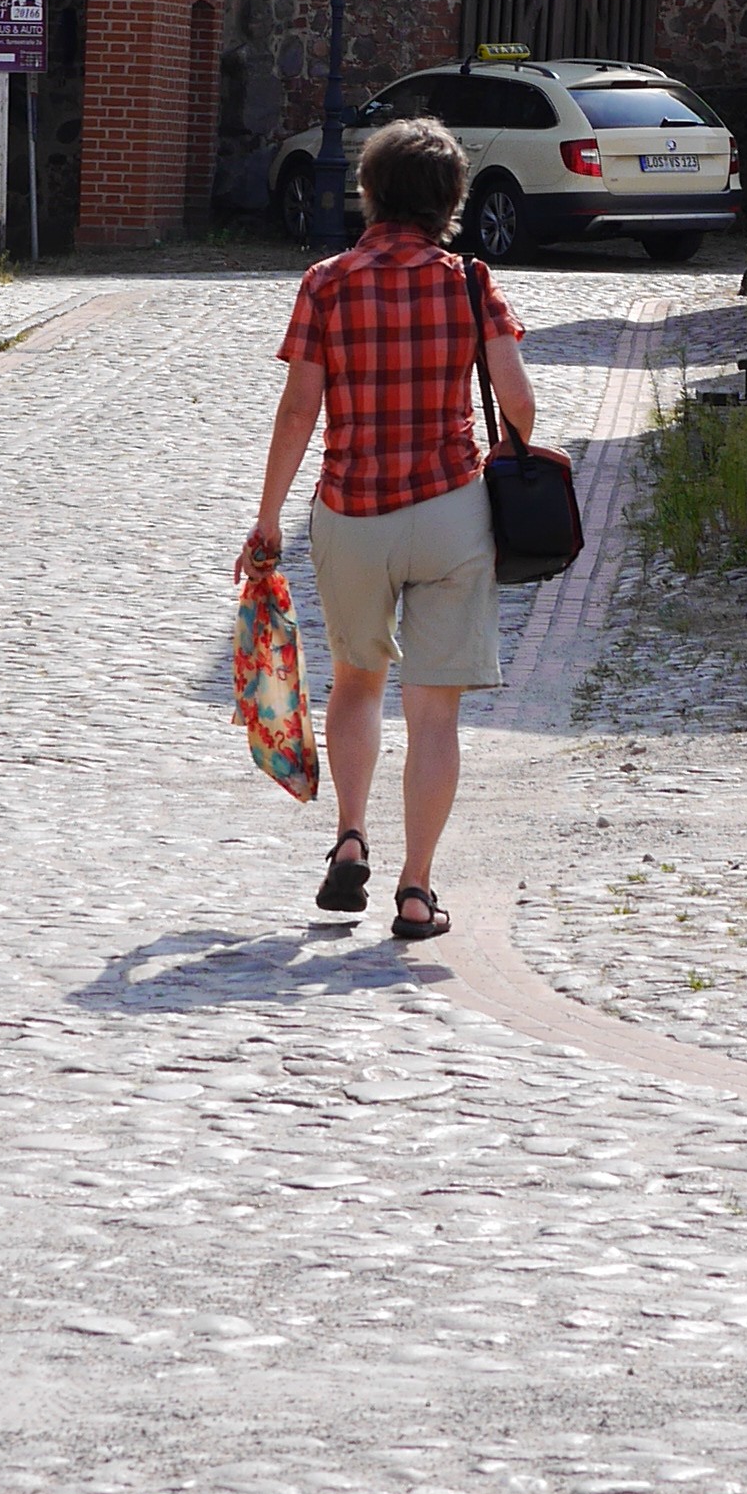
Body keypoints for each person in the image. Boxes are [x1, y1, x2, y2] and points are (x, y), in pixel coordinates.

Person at [238, 112, 539, 943]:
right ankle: (415, 890)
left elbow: (298, 409)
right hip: (449, 511)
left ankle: (349, 837)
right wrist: (510, 445)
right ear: (451, 198)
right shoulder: (471, 282)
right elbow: (517, 400)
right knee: (435, 713)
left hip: (352, 514)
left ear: (368, 190)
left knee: (358, 681)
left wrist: (268, 517)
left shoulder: (327, 282)